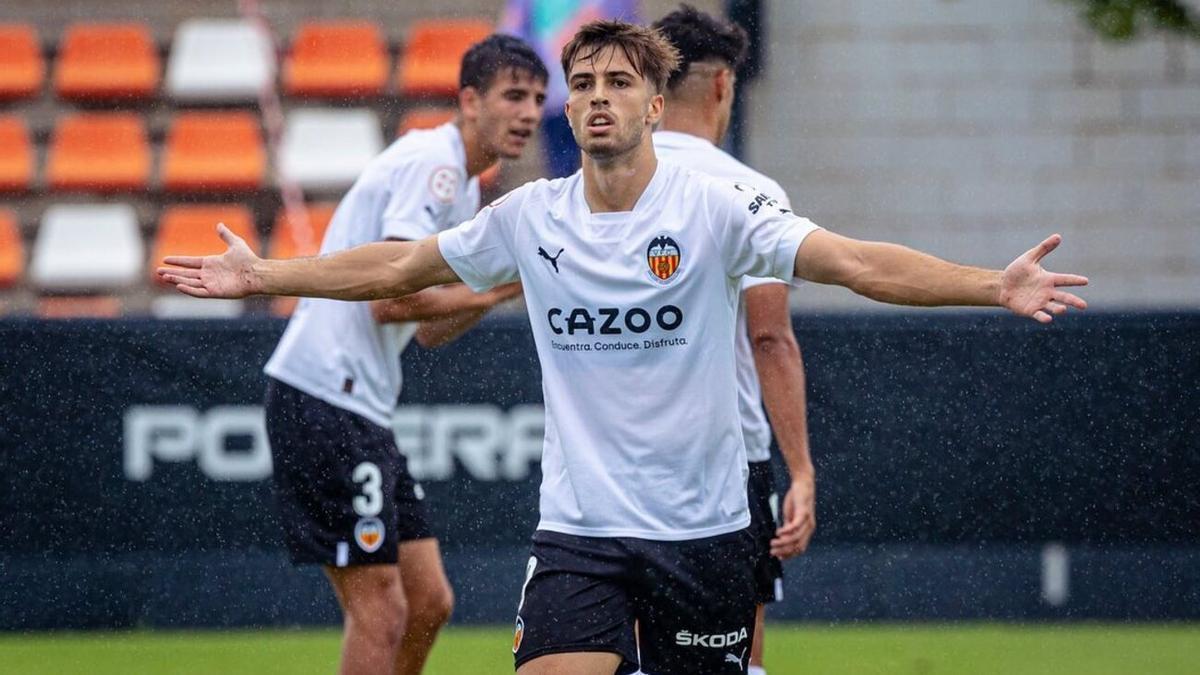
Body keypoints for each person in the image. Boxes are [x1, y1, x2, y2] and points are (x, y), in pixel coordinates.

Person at [158, 20, 1088, 675]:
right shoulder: (530, 216)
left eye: (618, 84)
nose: (597, 98)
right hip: (581, 535)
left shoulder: (718, 209)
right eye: (585, 84)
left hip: (708, 534)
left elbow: (853, 262)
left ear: (653, 104)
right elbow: (397, 269)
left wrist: (988, 283)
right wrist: (267, 275)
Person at [259, 35, 547, 675]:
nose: (529, 112)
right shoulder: (435, 166)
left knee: (428, 601)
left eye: (537, 99)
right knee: (383, 610)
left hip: (359, 403)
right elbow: (388, 303)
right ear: (469, 101)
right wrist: (502, 284)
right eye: (513, 96)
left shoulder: (463, 190)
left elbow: (428, 332)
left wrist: (497, 290)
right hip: (325, 394)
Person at [651, 7, 814, 675]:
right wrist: (800, 468)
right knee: (734, 658)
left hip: (617, 461)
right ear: (723, 86)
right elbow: (769, 336)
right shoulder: (748, 192)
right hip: (724, 462)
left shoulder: (599, 185)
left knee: (626, 647)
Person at [499, 0, 639, 177]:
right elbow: (512, 35)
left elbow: (634, 33)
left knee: (607, 167)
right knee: (562, 171)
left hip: (604, 95)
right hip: (555, 96)